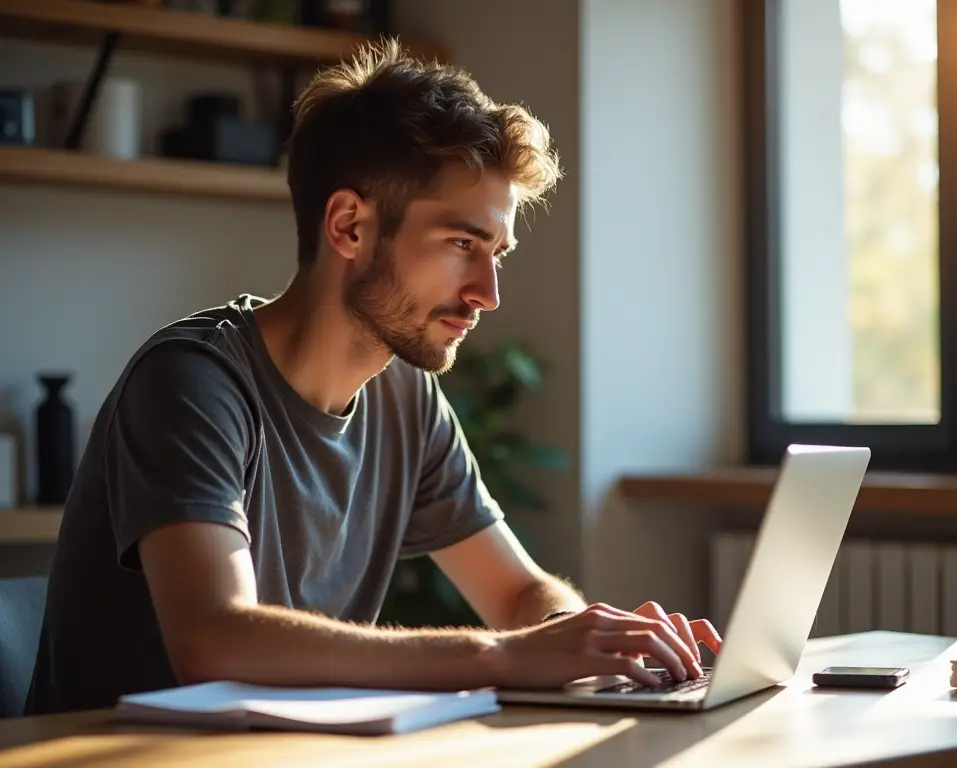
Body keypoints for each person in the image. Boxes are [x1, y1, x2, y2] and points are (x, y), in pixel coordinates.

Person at [24, 40, 721, 716]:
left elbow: (518, 596)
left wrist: (596, 644)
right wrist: (501, 656)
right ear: (350, 226)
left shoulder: (404, 396)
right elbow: (215, 638)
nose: (489, 292)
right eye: (461, 245)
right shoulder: (192, 383)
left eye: (497, 252)